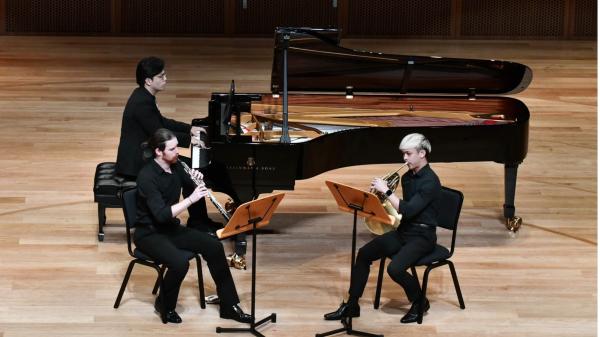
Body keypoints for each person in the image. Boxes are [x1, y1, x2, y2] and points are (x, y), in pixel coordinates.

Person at [114, 56, 247, 266]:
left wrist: (189, 129)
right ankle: (199, 222)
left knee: (191, 170)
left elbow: (161, 122)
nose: (166, 79)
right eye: (161, 76)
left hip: (147, 151)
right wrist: (192, 139)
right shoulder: (141, 103)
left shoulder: (144, 97)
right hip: (138, 161)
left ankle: (199, 220)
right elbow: (158, 133)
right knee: (190, 171)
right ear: (149, 81)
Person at [134, 128, 252, 324]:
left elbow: (190, 183)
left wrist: (196, 179)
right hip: (149, 233)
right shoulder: (147, 177)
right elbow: (162, 215)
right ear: (158, 152)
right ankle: (164, 304)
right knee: (180, 263)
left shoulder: (177, 165)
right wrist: (191, 199)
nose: (177, 152)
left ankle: (229, 305)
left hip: (170, 229)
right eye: (172, 149)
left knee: (214, 246)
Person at [323, 133, 442, 324]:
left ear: (422, 153)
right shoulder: (407, 178)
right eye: (403, 154)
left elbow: (408, 210)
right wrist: (378, 198)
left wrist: (386, 191)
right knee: (364, 254)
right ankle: (352, 305)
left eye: (408, 154)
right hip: (405, 231)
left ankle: (420, 301)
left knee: (395, 269)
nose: (404, 158)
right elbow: (399, 210)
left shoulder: (431, 182)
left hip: (423, 236)